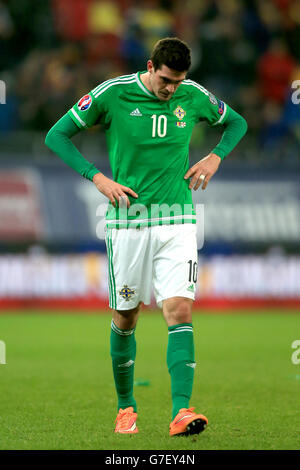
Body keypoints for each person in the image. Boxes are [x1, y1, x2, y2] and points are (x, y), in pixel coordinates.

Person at [45, 37, 247, 437]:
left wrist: (215, 155)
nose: (172, 89)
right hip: (128, 222)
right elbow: (57, 135)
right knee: (126, 316)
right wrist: (98, 178)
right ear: (151, 67)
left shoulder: (192, 96)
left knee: (179, 311)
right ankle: (126, 408)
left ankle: (181, 411)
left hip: (177, 218)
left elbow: (237, 122)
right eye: (166, 80)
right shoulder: (113, 93)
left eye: (178, 82)